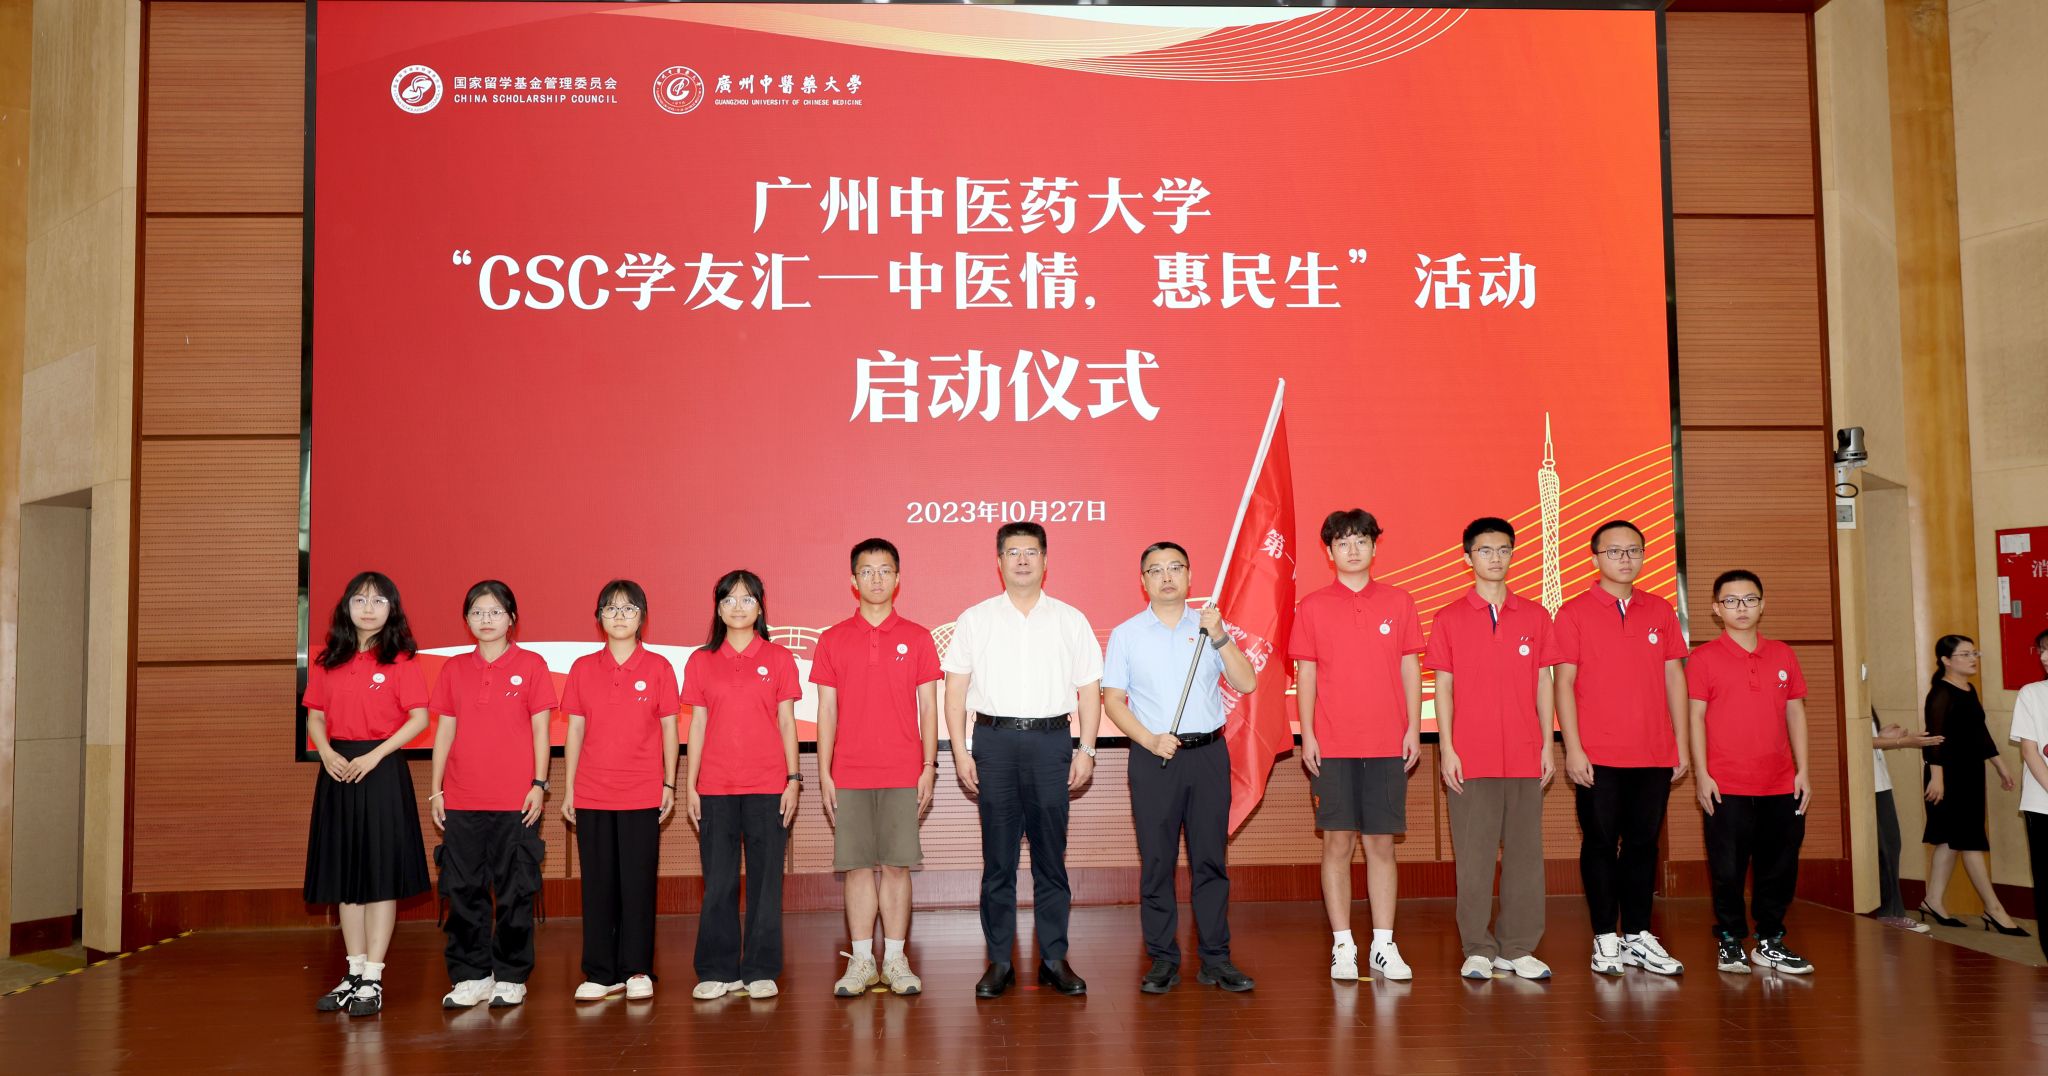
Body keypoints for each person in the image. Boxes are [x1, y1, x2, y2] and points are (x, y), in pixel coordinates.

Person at [943, 521, 1104, 999]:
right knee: (998, 861)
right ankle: (999, 961)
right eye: (1012, 552)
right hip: (993, 743)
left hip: (1052, 743)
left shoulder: (1070, 619)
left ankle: (1054, 958)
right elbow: (955, 692)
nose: (1022, 560)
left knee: (1051, 859)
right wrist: (960, 752)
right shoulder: (975, 619)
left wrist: (1087, 749)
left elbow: (1090, 689)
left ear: (1045, 560)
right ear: (999, 562)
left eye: (1031, 552)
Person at [1102, 541, 1258, 994]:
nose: (1166, 576)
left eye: (1175, 568)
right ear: (1143, 581)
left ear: (1190, 576)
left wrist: (1221, 636)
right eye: (1156, 570)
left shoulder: (1210, 626)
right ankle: (1163, 959)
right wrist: (1149, 739)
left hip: (1208, 755)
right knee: (1157, 861)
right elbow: (1113, 701)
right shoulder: (1127, 634)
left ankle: (1216, 958)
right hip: (1153, 757)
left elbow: (1246, 681)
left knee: (1210, 860)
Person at [1550, 519, 1688, 976]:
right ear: (1595, 558)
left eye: (1634, 550)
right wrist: (1573, 748)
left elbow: (1674, 679)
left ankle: (1638, 935)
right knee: (1601, 843)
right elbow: (1563, 683)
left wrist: (1681, 744)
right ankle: (1605, 937)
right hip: (1598, 755)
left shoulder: (1660, 610)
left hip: (1653, 752)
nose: (1625, 559)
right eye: (1614, 551)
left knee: (1644, 846)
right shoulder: (1573, 613)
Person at [1291, 508, 1423, 983]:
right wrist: (1308, 733)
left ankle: (1383, 945)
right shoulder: (1312, 606)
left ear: (1373, 547)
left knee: (1381, 844)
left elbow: (1410, 667)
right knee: (1337, 843)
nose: (1352, 550)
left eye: (1361, 541)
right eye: (1342, 542)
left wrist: (1413, 728)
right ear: (1329, 552)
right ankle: (1343, 945)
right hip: (1332, 744)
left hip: (1387, 742)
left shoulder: (1399, 601)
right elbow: (1306, 674)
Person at [1428, 518, 1558, 982]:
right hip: (1471, 756)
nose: (1495, 558)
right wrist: (1447, 748)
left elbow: (1544, 683)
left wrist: (1547, 745)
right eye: (1485, 550)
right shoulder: (1448, 618)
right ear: (1468, 558)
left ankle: (1518, 947)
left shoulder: (1535, 616)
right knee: (1475, 857)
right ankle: (1478, 948)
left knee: (1525, 855)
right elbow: (1443, 688)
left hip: (1525, 753)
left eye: (1503, 549)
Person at [813, 538, 942, 997]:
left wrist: (929, 765)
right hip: (849, 772)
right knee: (855, 868)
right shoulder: (832, 639)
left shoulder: (919, 637)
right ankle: (862, 960)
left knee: (896, 866)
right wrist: (824, 772)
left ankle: (896, 960)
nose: (876, 579)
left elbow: (929, 708)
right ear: (853, 581)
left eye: (885, 570)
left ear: (898, 578)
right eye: (866, 571)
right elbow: (826, 711)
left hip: (903, 771)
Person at [303, 571, 433, 1017]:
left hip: (381, 771)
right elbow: (315, 715)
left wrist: (374, 757)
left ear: (392, 609)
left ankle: (374, 976)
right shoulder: (327, 660)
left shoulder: (402, 660)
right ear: (347, 607)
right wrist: (325, 752)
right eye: (360, 599)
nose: (369, 608)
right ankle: (353, 972)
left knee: (380, 876)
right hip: (338, 771)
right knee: (347, 878)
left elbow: (418, 719)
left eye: (379, 600)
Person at [428, 580, 557, 1009]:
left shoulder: (532, 665)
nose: (486, 619)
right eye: (478, 612)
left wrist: (539, 785)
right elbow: (444, 731)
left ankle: (512, 975)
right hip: (462, 798)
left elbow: (541, 730)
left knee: (515, 889)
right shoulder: (453, 669)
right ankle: (471, 974)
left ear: (511, 618)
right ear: (467, 619)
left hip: (516, 801)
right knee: (463, 889)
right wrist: (436, 790)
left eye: (495, 611)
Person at [682, 569, 802, 999]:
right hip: (715, 788)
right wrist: (690, 784)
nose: (738, 607)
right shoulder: (700, 661)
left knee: (767, 883)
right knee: (718, 882)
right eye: (729, 599)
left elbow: (787, 722)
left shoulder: (779, 658)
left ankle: (760, 969)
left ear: (760, 608)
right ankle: (717, 970)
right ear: (717, 608)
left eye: (747, 599)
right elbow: (697, 725)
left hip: (768, 786)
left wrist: (793, 779)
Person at [562, 579, 681, 1001]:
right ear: (598, 618)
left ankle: (636, 970)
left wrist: (669, 781)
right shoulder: (582, 668)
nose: (619, 616)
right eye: (610, 609)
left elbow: (670, 729)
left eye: (628, 609)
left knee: (637, 884)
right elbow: (575, 731)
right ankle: (600, 972)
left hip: (642, 791)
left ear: (642, 617)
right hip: (592, 791)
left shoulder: (659, 668)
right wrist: (569, 788)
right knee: (597, 884)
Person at [1689, 570, 1813, 974]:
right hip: (1726, 784)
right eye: (1730, 601)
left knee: (1779, 865)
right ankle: (1729, 939)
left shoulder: (1783, 654)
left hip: (1781, 782)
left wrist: (1803, 770)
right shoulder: (1703, 658)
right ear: (1716, 609)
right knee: (1727, 868)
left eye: (1749, 599)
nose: (1740, 608)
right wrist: (1702, 774)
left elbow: (1795, 712)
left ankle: (1770, 940)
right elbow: (1695, 718)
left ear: (1762, 604)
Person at [1917, 634, 2026, 935]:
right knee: (1969, 840)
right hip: (1947, 775)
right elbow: (1934, 738)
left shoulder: (1968, 689)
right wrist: (1937, 778)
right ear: (1946, 660)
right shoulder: (1940, 693)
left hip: (1970, 774)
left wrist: (2000, 766)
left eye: (1974, 653)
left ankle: (1932, 901)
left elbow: (1979, 733)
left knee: (1951, 840)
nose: (1972, 659)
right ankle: (1994, 909)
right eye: (1965, 654)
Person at [1867, 708, 1940, 933]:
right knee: (1880, 850)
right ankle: (1888, 913)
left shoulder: (1864, 695)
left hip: (1880, 782)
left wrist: (1882, 735)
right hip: (1864, 782)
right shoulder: (1846, 695)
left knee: (1891, 845)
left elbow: (1868, 738)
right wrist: (1901, 741)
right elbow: (1855, 741)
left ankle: (1893, 912)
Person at [2008, 629, 2048, 961]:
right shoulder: (2031, 694)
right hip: (2042, 804)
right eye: (2041, 650)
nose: (2044, 657)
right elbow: (2030, 751)